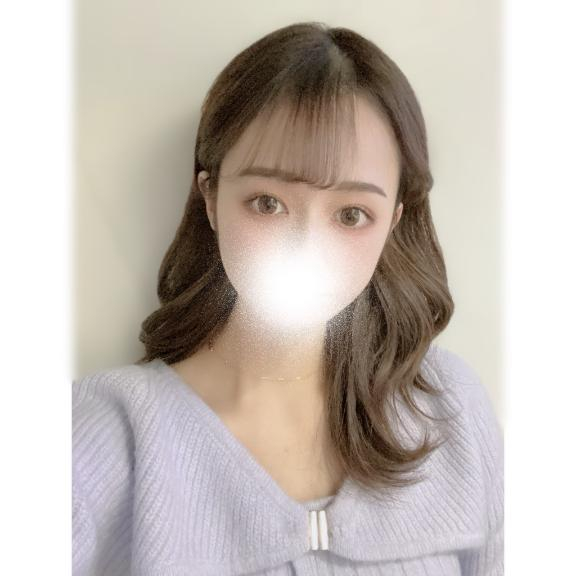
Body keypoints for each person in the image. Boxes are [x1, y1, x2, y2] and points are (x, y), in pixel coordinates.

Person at [72, 21, 504, 575]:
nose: (306, 247)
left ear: (393, 222)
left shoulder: (448, 409)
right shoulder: (104, 436)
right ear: (210, 197)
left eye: (352, 214)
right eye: (267, 203)